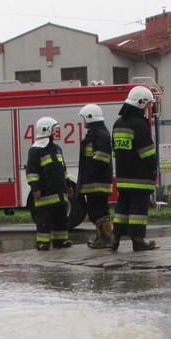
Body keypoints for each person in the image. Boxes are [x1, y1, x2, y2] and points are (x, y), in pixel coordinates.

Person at [111, 85, 159, 251]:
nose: (148, 109)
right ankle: (138, 240)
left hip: (123, 178)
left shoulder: (117, 124)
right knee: (138, 211)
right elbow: (147, 153)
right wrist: (154, 169)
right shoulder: (140, 124)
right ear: (140, 103)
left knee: (122, 209)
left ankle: (115, 238)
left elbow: (115, 151)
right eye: (147, 105)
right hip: (140, 178)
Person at [26, 116, 72, 250]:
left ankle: (61, 240)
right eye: (54, 130)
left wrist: (68, 185)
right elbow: (32, 172)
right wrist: (35, 188)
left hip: (59, 191)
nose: (56, 132)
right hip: (45, 192)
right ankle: (42, 242)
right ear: (46, 130)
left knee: (61, 217)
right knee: (44, 219)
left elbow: (63, 169)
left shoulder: (57, 148)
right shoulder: (35, 150)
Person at [77, 104, 114, 249]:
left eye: (84, 118)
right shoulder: (95, 134)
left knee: (99, 210)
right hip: (93, 182)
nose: (83, 121)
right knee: (94, 211)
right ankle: (101, 237)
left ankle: (108, 237)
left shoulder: (101, 135)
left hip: (98, 183)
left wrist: (90, 174)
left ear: (90, 117)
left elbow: (101, 158)